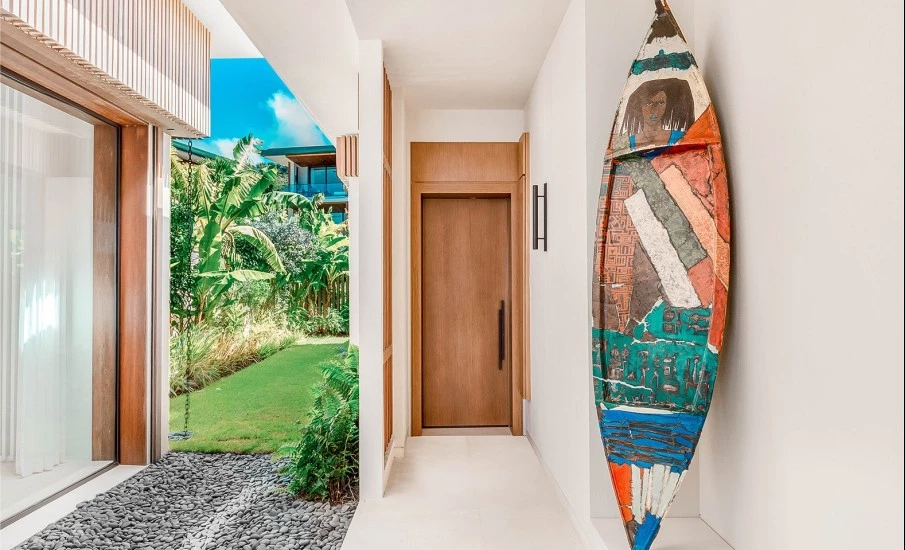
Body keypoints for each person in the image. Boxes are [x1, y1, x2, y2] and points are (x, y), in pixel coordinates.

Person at [616, 78, 693, 151]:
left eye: (660, 103)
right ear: (640, 106)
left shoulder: (680, 138)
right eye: (649, 103)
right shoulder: (627, 144)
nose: (654, 111)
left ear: (667, 105)